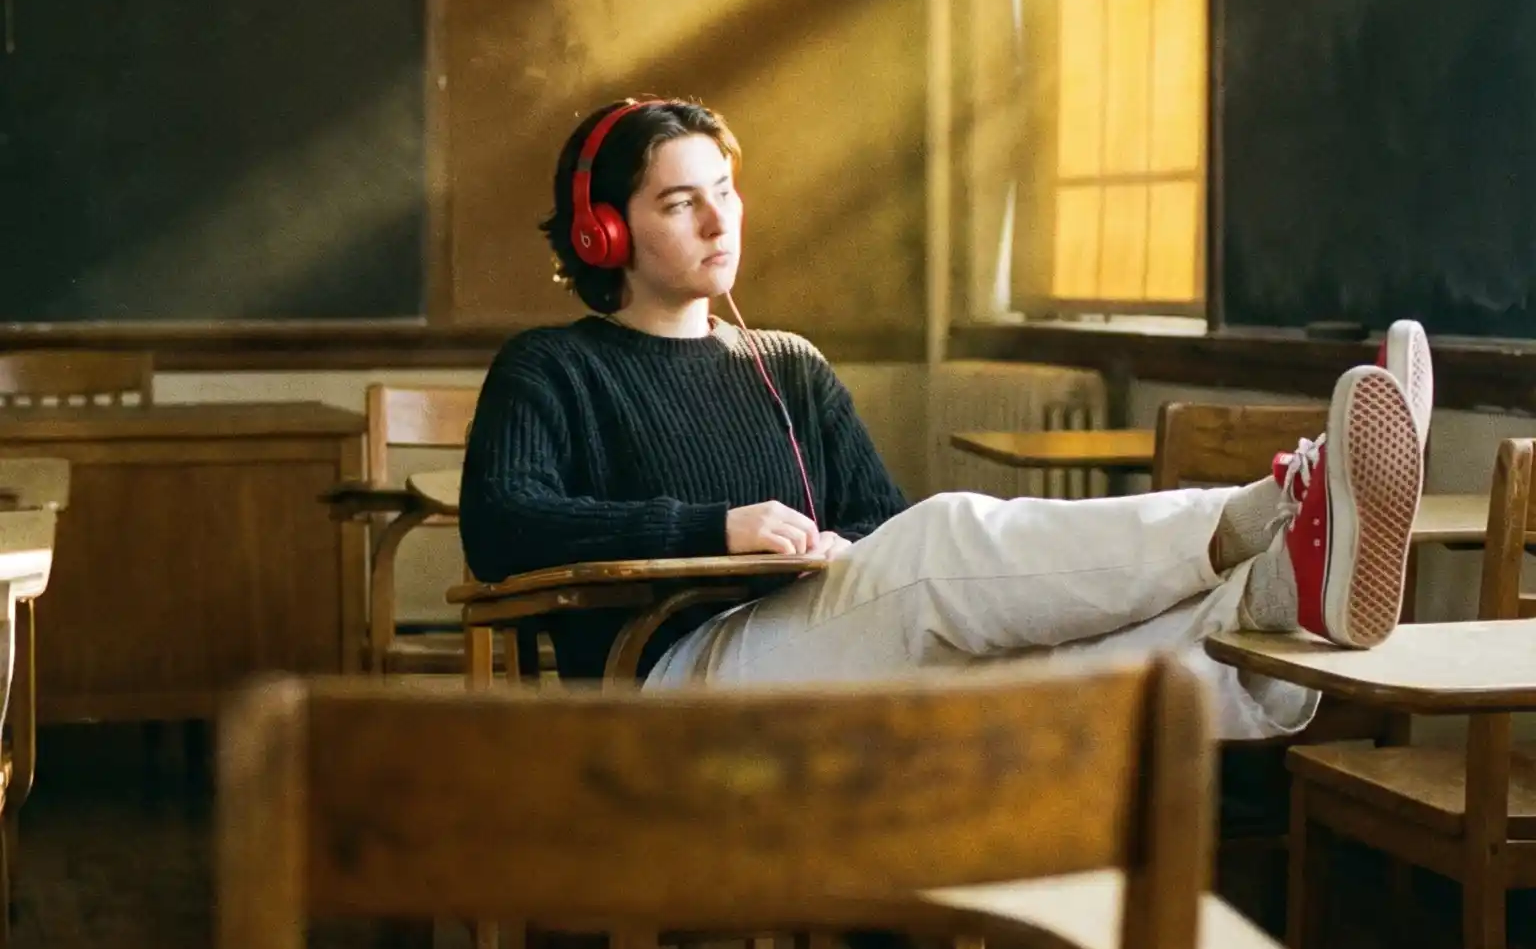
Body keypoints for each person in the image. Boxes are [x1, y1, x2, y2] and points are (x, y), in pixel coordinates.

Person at [460, 97, 1431, 739]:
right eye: (681, 203)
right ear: (605, 233)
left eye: (725, 192)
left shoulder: (785, 363)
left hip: (811, 645)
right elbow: (503, 524)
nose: (720, 222)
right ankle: (1258, 514)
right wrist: (714, 528)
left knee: (1031, 663)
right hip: (662, 683)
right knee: (943, 540)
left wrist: (837, 550)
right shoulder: (551, 367)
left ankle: (1274, 601)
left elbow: (878, 525)